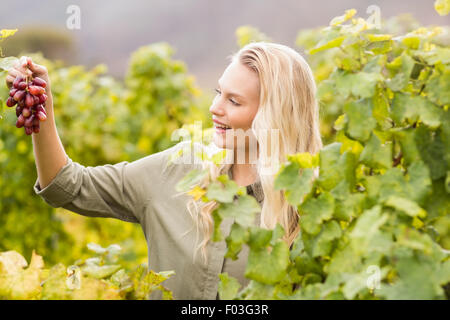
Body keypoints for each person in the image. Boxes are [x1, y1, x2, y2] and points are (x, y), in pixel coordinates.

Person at [5, 42, 323, 300]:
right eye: (218, 92)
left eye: (234, 101)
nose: (215, 108)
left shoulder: (312, 203)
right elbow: (65, 185)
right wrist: (40, 104)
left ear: (275, 116)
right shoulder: (178, 169)